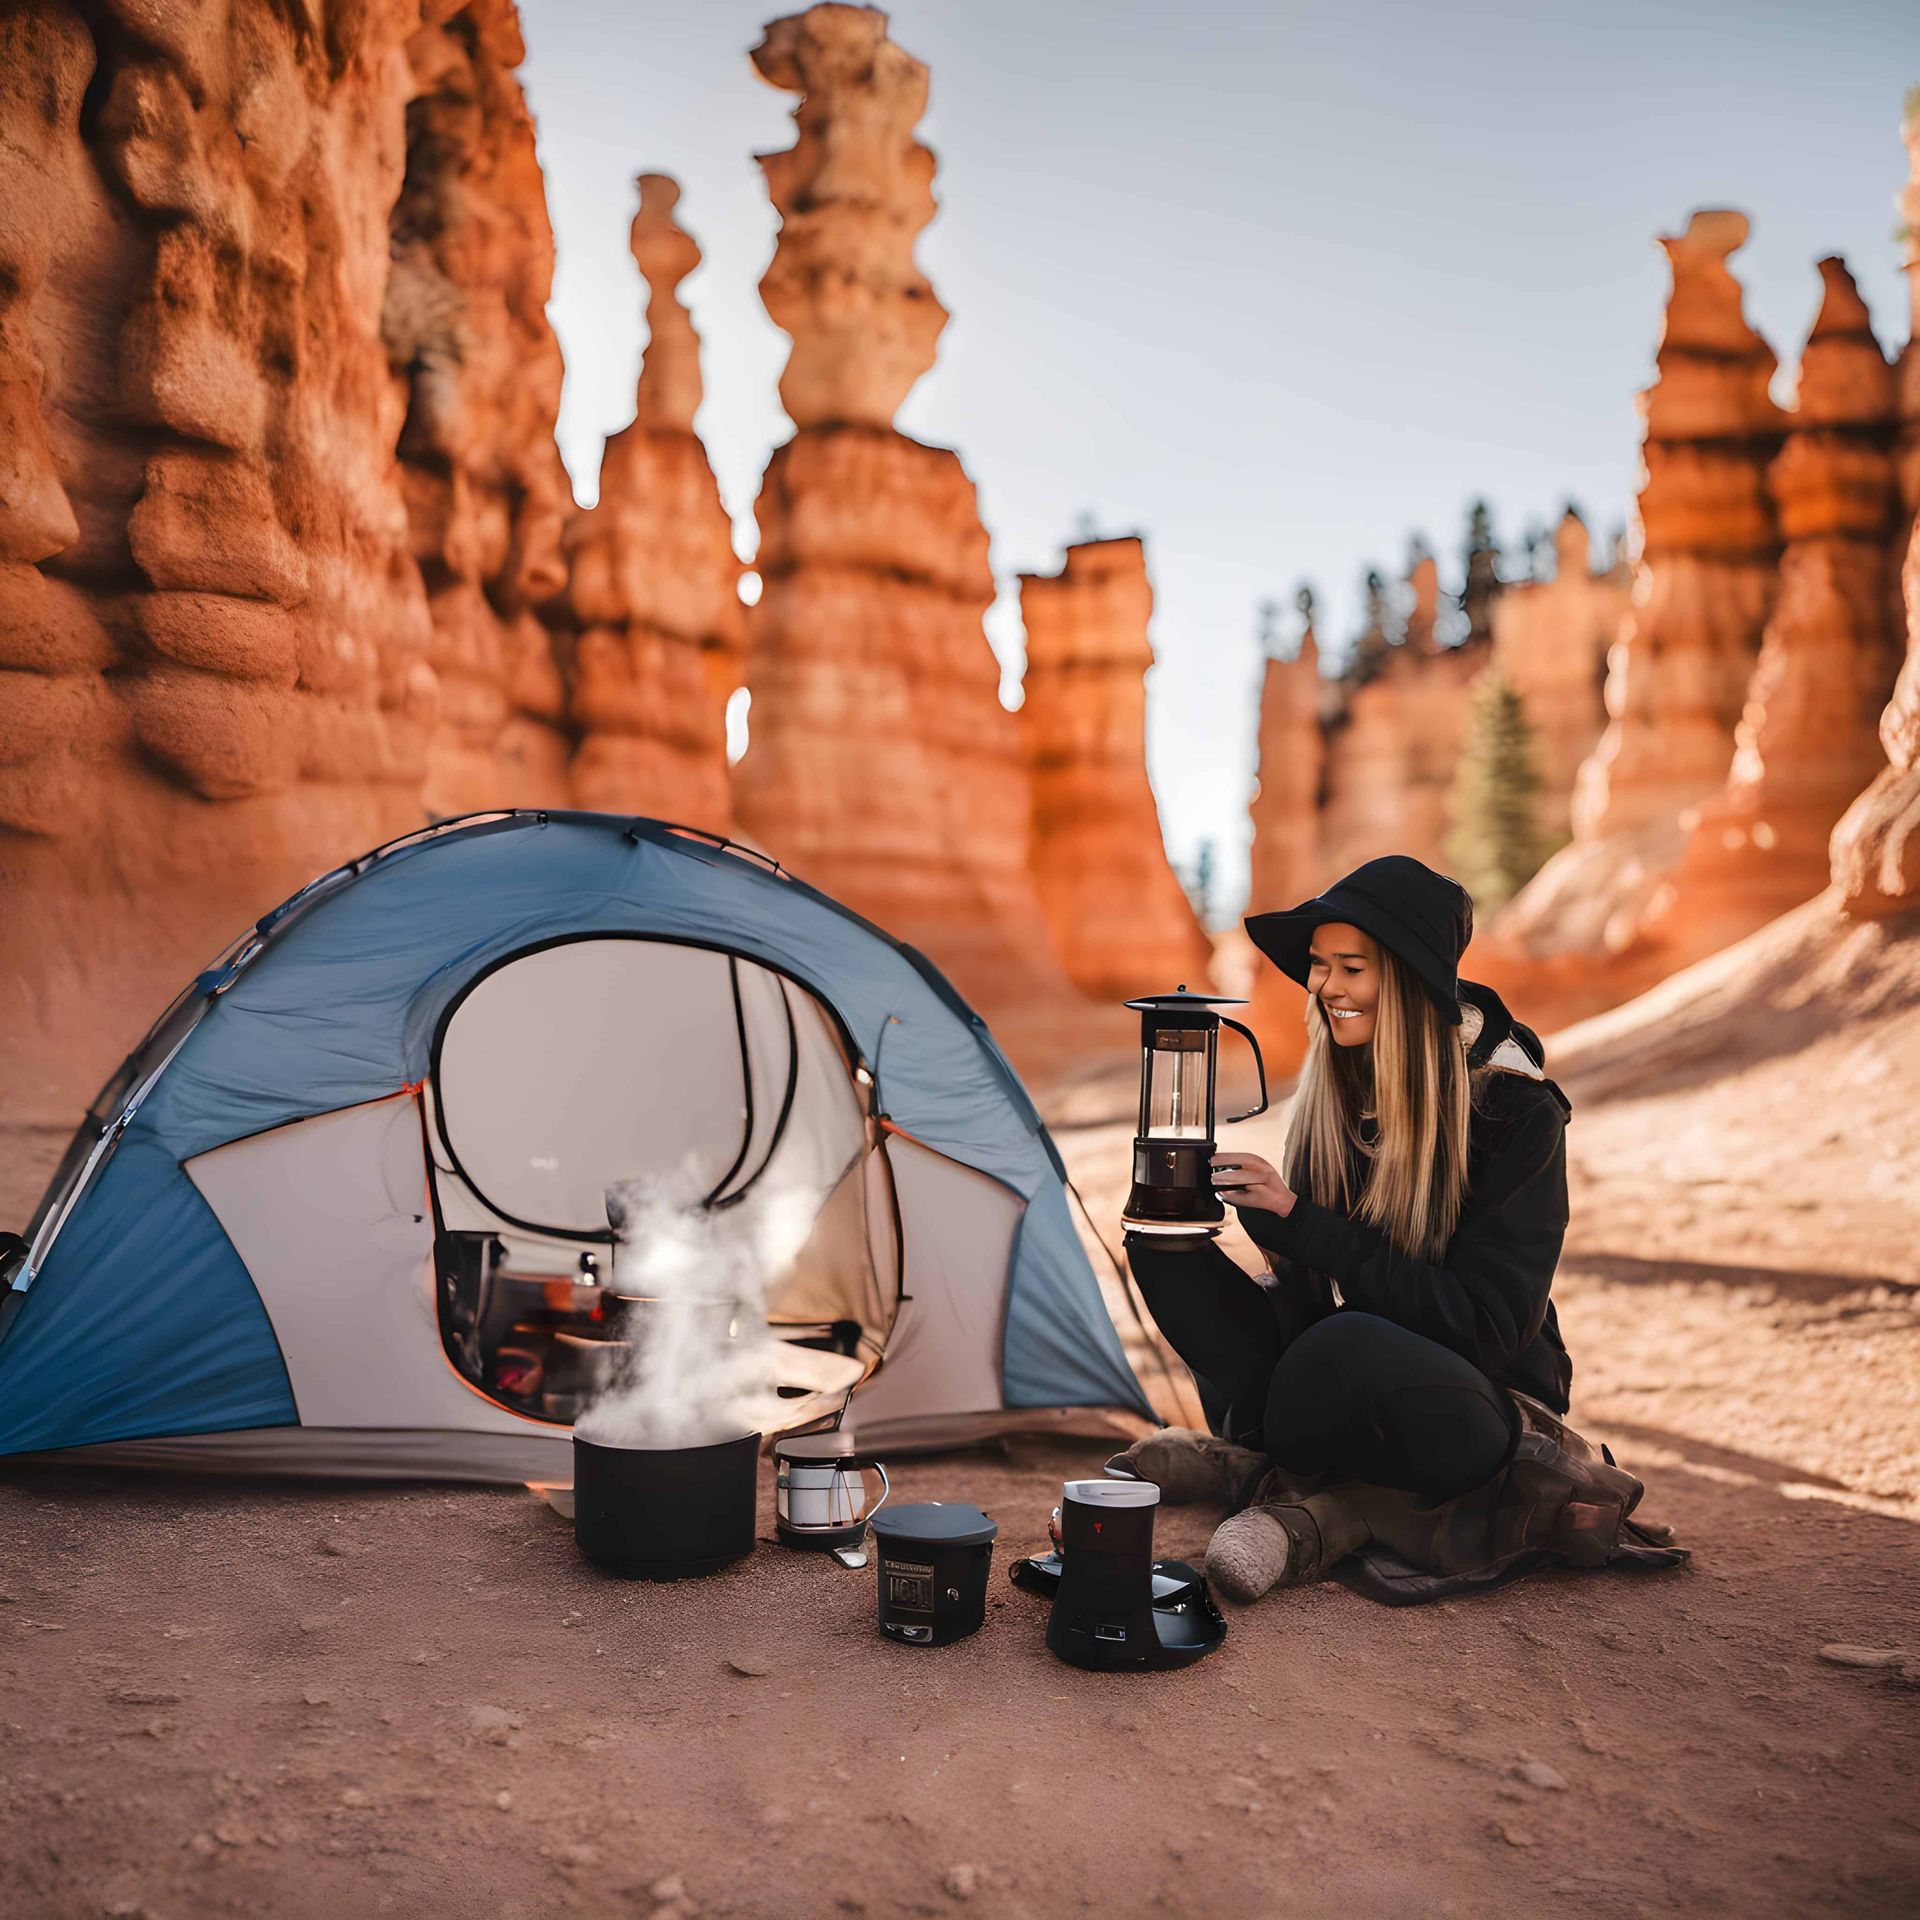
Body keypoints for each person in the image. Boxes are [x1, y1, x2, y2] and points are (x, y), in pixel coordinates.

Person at [1116, 854, 1683, 1604]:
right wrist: (1209, 1218)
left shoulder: (1515, 1111)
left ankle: (1276, 1487)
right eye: (1319, 967)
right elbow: (1305, 1300)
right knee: (1168, 1254)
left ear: (1411, 979)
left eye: (1352, 968)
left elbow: (1485, 1327)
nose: (1325, 988)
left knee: (1342, 1349)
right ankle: (1266, 1467)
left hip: (1471, 1406)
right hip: (1341, 1380)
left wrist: (1305, 1225)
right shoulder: (1335, 1095)